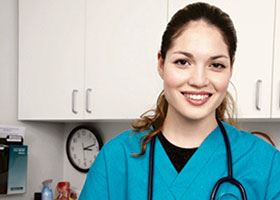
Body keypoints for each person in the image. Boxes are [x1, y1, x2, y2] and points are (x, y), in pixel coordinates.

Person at [79, 2, 280, 199]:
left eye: (216, 65)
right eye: (183, 62)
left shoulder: (267, 164)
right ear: (161, 63)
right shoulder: (115, 159)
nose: (199, 81)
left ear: (231, 69)